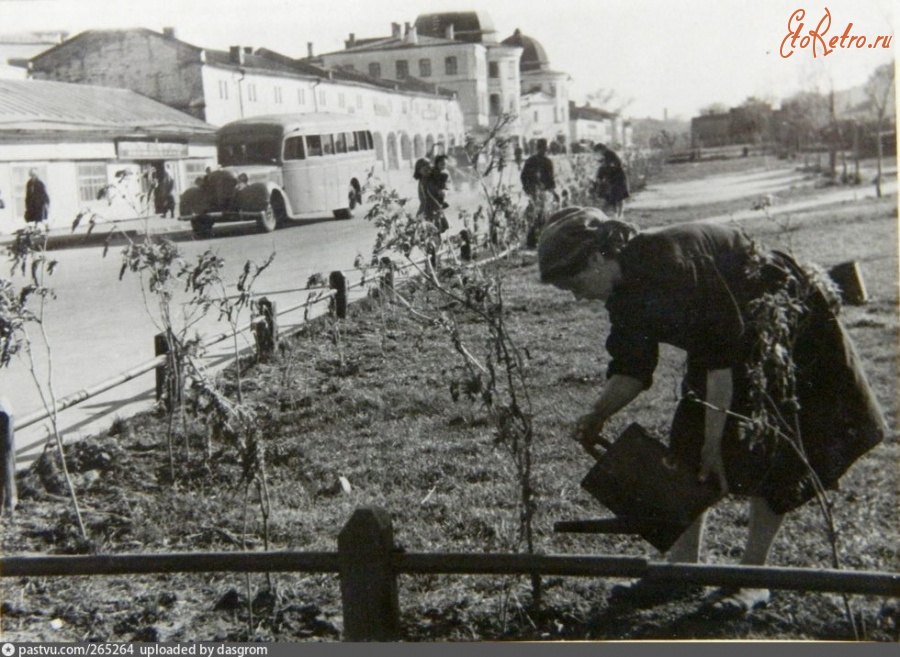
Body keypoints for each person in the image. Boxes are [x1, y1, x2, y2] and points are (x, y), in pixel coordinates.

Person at [537, 207, 886, 616]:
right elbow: (632, 367)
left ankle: (753, 579)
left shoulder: (669, 262)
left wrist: (714, 444)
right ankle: (683, 571)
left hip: (785, 325)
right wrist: (596, 414)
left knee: (774, 445)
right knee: (686, 442)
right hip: (727, 347)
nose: (578, 296)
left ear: (598, 258)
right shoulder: (624, 290)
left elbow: (722, 358)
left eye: (575, 283)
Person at [520, 139, 560, 248]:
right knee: (541, 216)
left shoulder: (530, 160)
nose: (545, 150)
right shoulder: (546, 161)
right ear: (544, 148)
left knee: (537, 216)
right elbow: (550, 180)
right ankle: (537, 240)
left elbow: (523, 177)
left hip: (535, 191)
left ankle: (533, 241)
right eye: (544, 148)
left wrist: (527, 189)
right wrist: (554, 193)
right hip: (541, 192)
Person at [591, 144, 630, 217]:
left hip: (618, 178)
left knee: (619, 197)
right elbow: (603, 168)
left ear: (601, 149)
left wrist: (607, 168)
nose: (598, 153)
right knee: (615, 197)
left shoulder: (610, 154)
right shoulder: (604, 157)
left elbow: (616, 164)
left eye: (598, 151)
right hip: (612, 178)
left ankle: (620, 214)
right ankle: (616, 213)